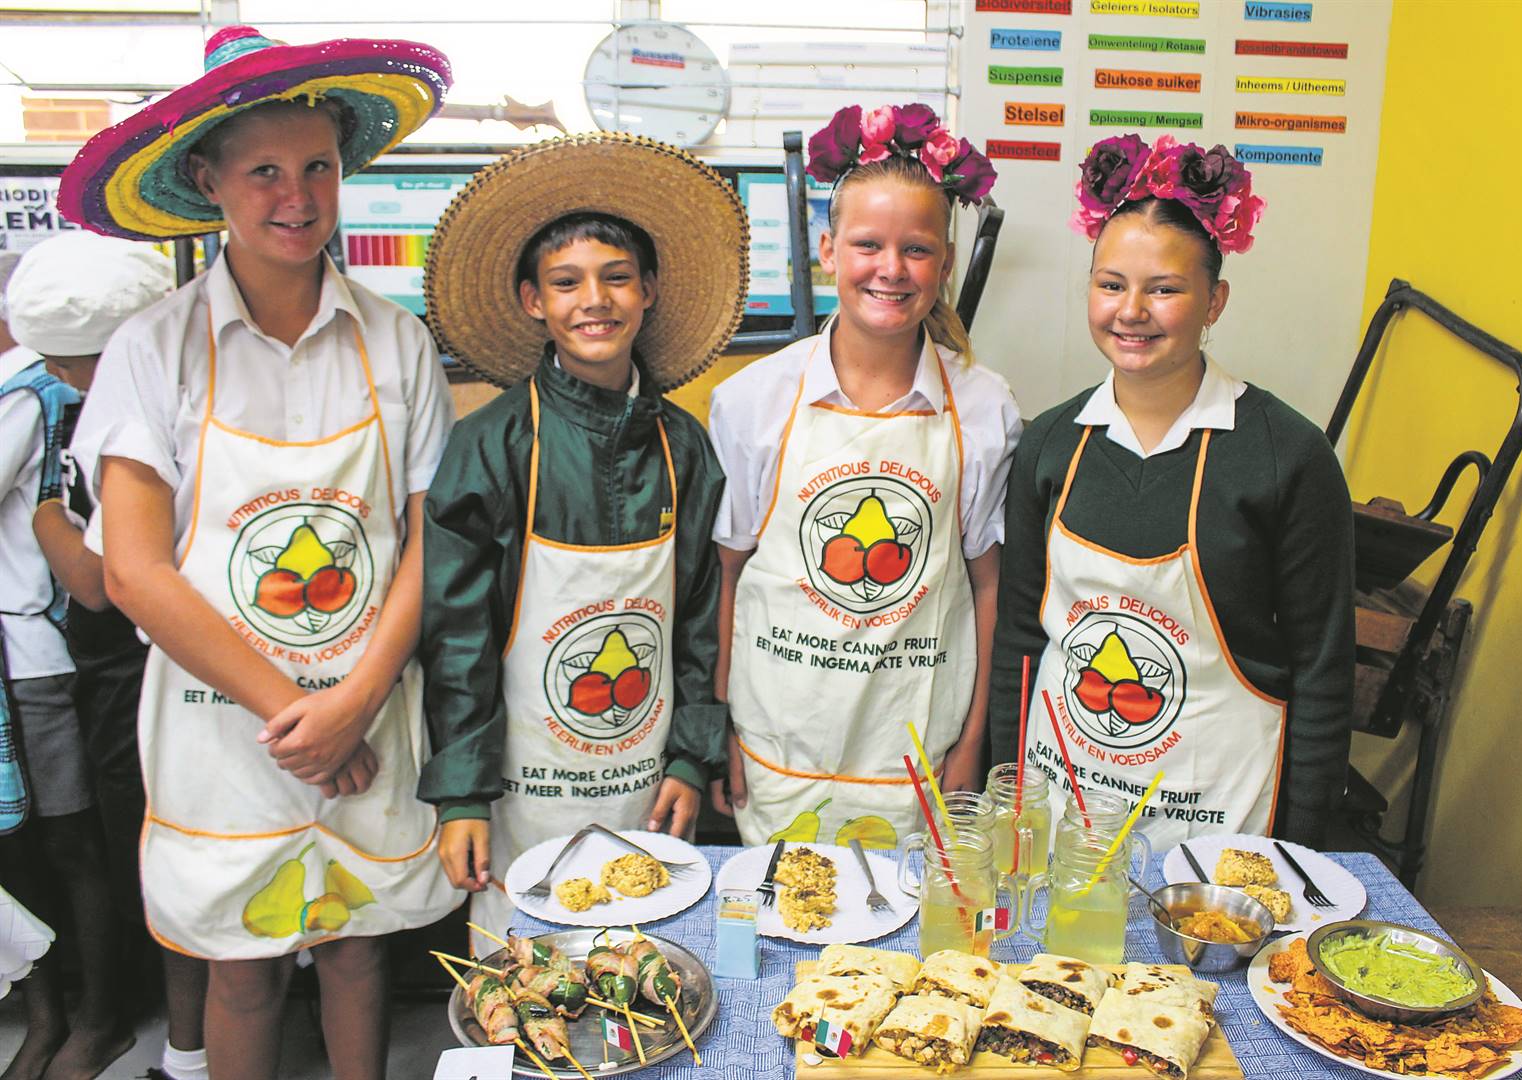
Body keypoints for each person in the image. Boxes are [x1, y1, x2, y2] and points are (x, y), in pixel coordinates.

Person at [57, 26, 458, 1080]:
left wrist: (356, 701)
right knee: (242, 969)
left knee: (359, 947)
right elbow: (134, 571)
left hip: (368, 697)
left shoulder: (396, 340)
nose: (298, 197)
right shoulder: (154, 349)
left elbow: (430, 539)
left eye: (318, 167)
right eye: (265, 173)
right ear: (207, 181)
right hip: (222, 721)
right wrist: (302, 716)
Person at [414, 134, 745, 932]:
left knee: (647, 957)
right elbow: (458, 635)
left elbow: (702, 622)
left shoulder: (685, 447)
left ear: (649, 292)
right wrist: (462, 794)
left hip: (648, 784)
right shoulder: (492, 444)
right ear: (534, 301)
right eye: (567, 282)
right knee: (525, 970)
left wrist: (691, 758)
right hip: (517, 793)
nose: (594, 300)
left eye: (617, 277)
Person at [988, 134, 1354, 850]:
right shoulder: (1051, 443)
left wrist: (1303, 844)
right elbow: (1021, 642)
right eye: (1110, 284)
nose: (1131, 311)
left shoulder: (1288, 456)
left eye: (1164, 289)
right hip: (1061, 808)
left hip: (1220, 816)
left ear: (1215, 301)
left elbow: (1321, 667)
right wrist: (1008, 795)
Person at [707, 103, 1021, 847]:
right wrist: (720, 726)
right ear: (828, 250)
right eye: (867, 244)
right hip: (778, 753)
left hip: (918, 757)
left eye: (917, 250)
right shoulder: (754, 399)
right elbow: (727, 576)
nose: (891, 269)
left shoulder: (985, 406)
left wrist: (973, 740)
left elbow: (988, 589)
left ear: (946, 263)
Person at [16, 232, 212, 1080]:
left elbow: (98, 583)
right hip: (152, 666)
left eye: (66, 365)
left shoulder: (124, 427)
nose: (56, 377)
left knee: (165, 858)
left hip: (138, 672)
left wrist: (44, 519)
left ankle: (187, 1050)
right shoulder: (185, 395)